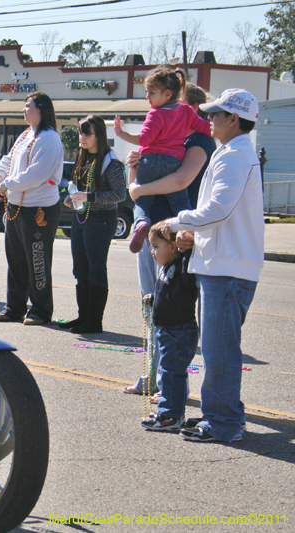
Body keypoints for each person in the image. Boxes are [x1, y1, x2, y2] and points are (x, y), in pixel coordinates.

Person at [159, 88, 263, 443]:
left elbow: (219, 209)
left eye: (216, 114)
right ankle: (219, 415)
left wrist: (176, 222)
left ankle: (224, 422)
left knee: (219, 351)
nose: (210, 119)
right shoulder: (232, 153)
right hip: (223, 266)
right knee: (219, 348)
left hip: (227, 271)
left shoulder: (234, 156)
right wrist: (194, 233)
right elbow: (222, 216)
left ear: (234, 119)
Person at [123, 83, 216, 397]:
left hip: (176, 234)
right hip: (152, 229)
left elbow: (181, 180)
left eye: (175, 103)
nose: (165, 110)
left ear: (190, 107)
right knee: (151, 304)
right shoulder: (168, 138)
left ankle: (171, 383)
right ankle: (153, 375)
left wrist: (138, 189)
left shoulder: (200, 141)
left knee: (170, 311)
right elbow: (141, 175)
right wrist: (136, 166)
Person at [114, 67, 211, 253]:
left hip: (149, 162)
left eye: (151, 93)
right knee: (180, 202)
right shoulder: (186, 112)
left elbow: (145, 139)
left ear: (167, 94)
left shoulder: (155, 114)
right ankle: (187, 227)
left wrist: (122, 133)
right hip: (173, 162)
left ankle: (141, 222)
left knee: (142, 203)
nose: (147, 97)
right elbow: (206, 127)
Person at [0, 92, 63, 326]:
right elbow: (8, 159)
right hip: (16, 207)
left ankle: (40, 310)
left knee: (37, 261)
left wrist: (6, 184)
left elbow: (36, 175)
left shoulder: (49, 139)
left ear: (41, 109)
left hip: (39, 209)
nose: (24, 110)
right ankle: (14, 308)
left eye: (28, 106)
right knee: (16, 260)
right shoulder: (25, 135)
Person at [59, 115, 126, 334]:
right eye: (81, 133)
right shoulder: (84, 157)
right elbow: (80, 189)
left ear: (99, 136)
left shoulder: (110, 161)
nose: (82, 137)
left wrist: (89, 197)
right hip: (82, 217)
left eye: (87, 134)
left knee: (95, 269)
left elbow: (119, 194)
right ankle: (83, 317)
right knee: (80, 268)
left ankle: (94, 321)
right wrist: (71, 198)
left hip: (102, 219)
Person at [140, 222, 198, 432]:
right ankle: (171, 413)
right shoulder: (166, 268)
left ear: (173, 247)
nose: (152, 252)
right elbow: (168, 293)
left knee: (172, 373)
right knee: (168, 371)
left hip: (180, 331)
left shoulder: (183, 266)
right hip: (168, 331)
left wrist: (187, 250)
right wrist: (154, 298)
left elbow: (185, 291)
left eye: (156, 247)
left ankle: (171, 415)